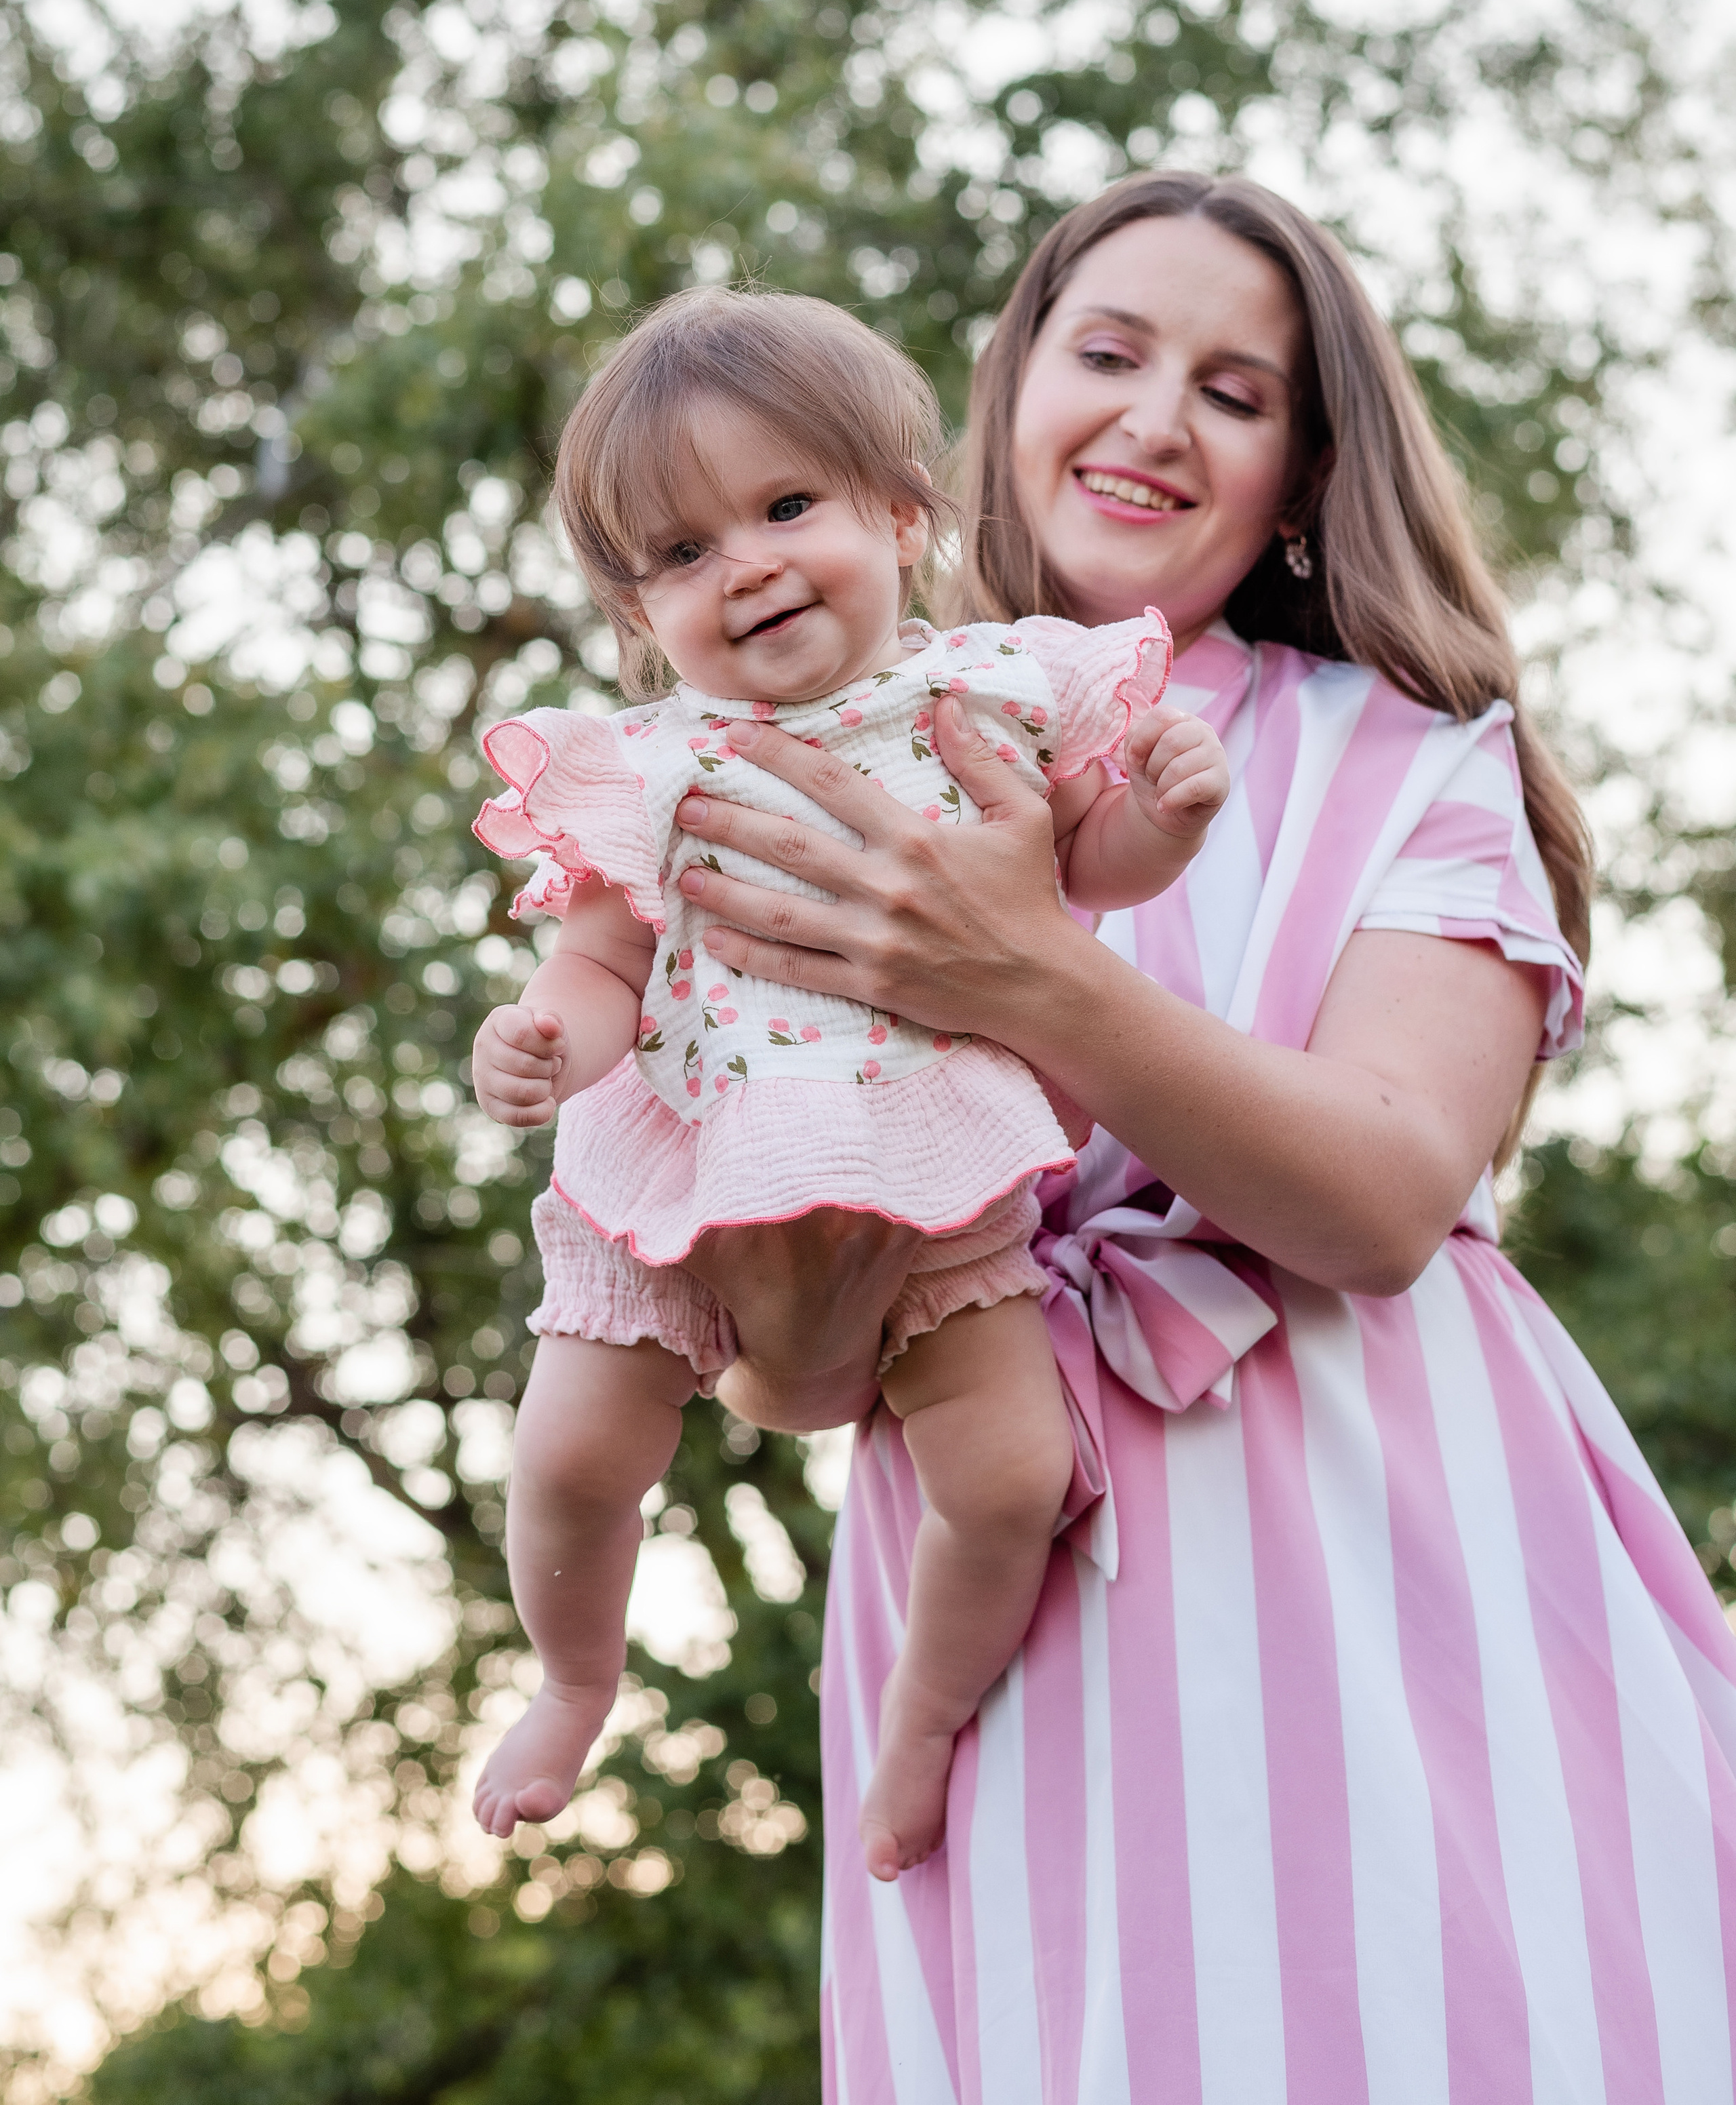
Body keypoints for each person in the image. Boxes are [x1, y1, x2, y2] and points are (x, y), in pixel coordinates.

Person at [667, 175, 1736, 2101]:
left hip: (1380, 1558)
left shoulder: (1412, 759)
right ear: (1006, 403)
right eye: (1110, 353)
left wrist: (1022, 974)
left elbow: (1390, 1197)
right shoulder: (809, 764)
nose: (1158, 417)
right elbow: (786, 1363)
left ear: (1306, 477)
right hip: (991, 1608)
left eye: (1235, 392)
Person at [464, 287, 1230, 1874]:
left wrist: (1162, 812)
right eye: (678, 555)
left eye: (783, 506)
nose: (739, 564)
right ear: (637, 615)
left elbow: (1088, 871)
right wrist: (548, 1041)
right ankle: (572, 1676)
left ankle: (922, 1723)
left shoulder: (997, 694)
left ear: (897, 513)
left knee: (1013, 1476)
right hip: (682, 1157)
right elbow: (600, 963)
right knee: (571, 1452)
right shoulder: (659, 764)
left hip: (933, 1157)